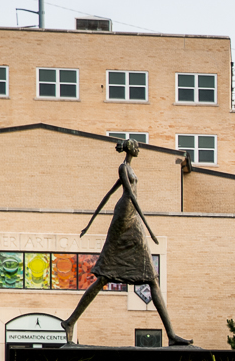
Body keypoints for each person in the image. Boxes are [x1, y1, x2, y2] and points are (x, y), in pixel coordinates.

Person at [62, 139, 191, 346]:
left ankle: (171, 334)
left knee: (151, 278)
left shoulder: (128, 168)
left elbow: (108, 194)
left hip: (132, 219)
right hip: (125, 220)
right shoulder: (123, 167)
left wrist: (90, 223)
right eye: (137, 146)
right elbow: (128, 194)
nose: (139, 149)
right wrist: (149, 228)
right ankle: (70, 321)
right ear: (130, 149)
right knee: (105, 277)